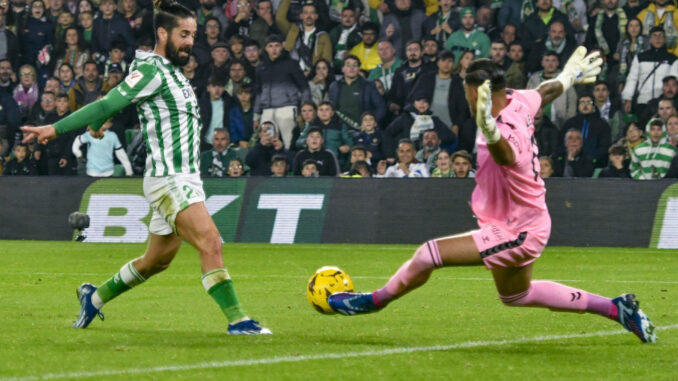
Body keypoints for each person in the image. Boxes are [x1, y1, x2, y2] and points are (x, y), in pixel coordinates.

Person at [326, 51, 658, 345]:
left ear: (474, 92)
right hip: (529, 218)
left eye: (466, 92)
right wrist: (568, 76)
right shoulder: (517, 98)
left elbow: (506, 154)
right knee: (517, 295)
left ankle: (371, 301)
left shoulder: (500, 130)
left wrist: (489, 129)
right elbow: (545, 91)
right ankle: (617, 308)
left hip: (517, 231)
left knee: (428, 255)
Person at [20, 0, 271, 335]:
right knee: (211, 242)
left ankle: (94, 298)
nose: (190, 41)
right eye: (184, 34)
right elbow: (107, 103)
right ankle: (239, 320)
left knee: (156, 261)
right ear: (163, 32)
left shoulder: (171, 74)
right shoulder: (150, 70)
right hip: (170, 179)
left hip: (183, 178)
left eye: (193, 35)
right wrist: (55, 128)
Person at [254, 34, 311, 151]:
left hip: (288, 109)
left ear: (282, 47)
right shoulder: (261, 67)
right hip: (267, 110)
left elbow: (304, 88)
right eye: (270, 46)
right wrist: (256, 116)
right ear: (266, 48)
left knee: (289, 143)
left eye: (277, 46)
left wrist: (304, 109)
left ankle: (290, 166)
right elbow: (259, 92)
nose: (274, 49)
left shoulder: (292, 64)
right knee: (266, 144)